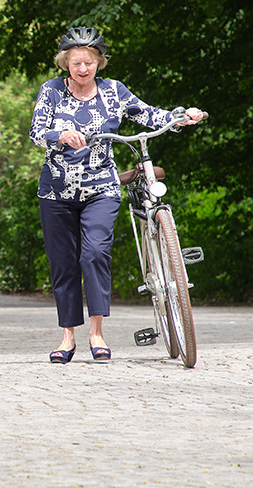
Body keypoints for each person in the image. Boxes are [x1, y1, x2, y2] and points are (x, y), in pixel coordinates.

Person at [29, 26, 206, 364]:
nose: (83, 69)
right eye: (77, 63)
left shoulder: (113, 92)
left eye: (90, 62)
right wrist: (62, 134)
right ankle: (68, 337)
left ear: (99, 63)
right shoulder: (51, 91)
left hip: (101, 188)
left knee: (94, 253)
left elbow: (149, 114)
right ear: (65, 63)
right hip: (56, 191)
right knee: (64, 264)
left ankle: (97, 333)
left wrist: (181, 116)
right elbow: (37, 131)